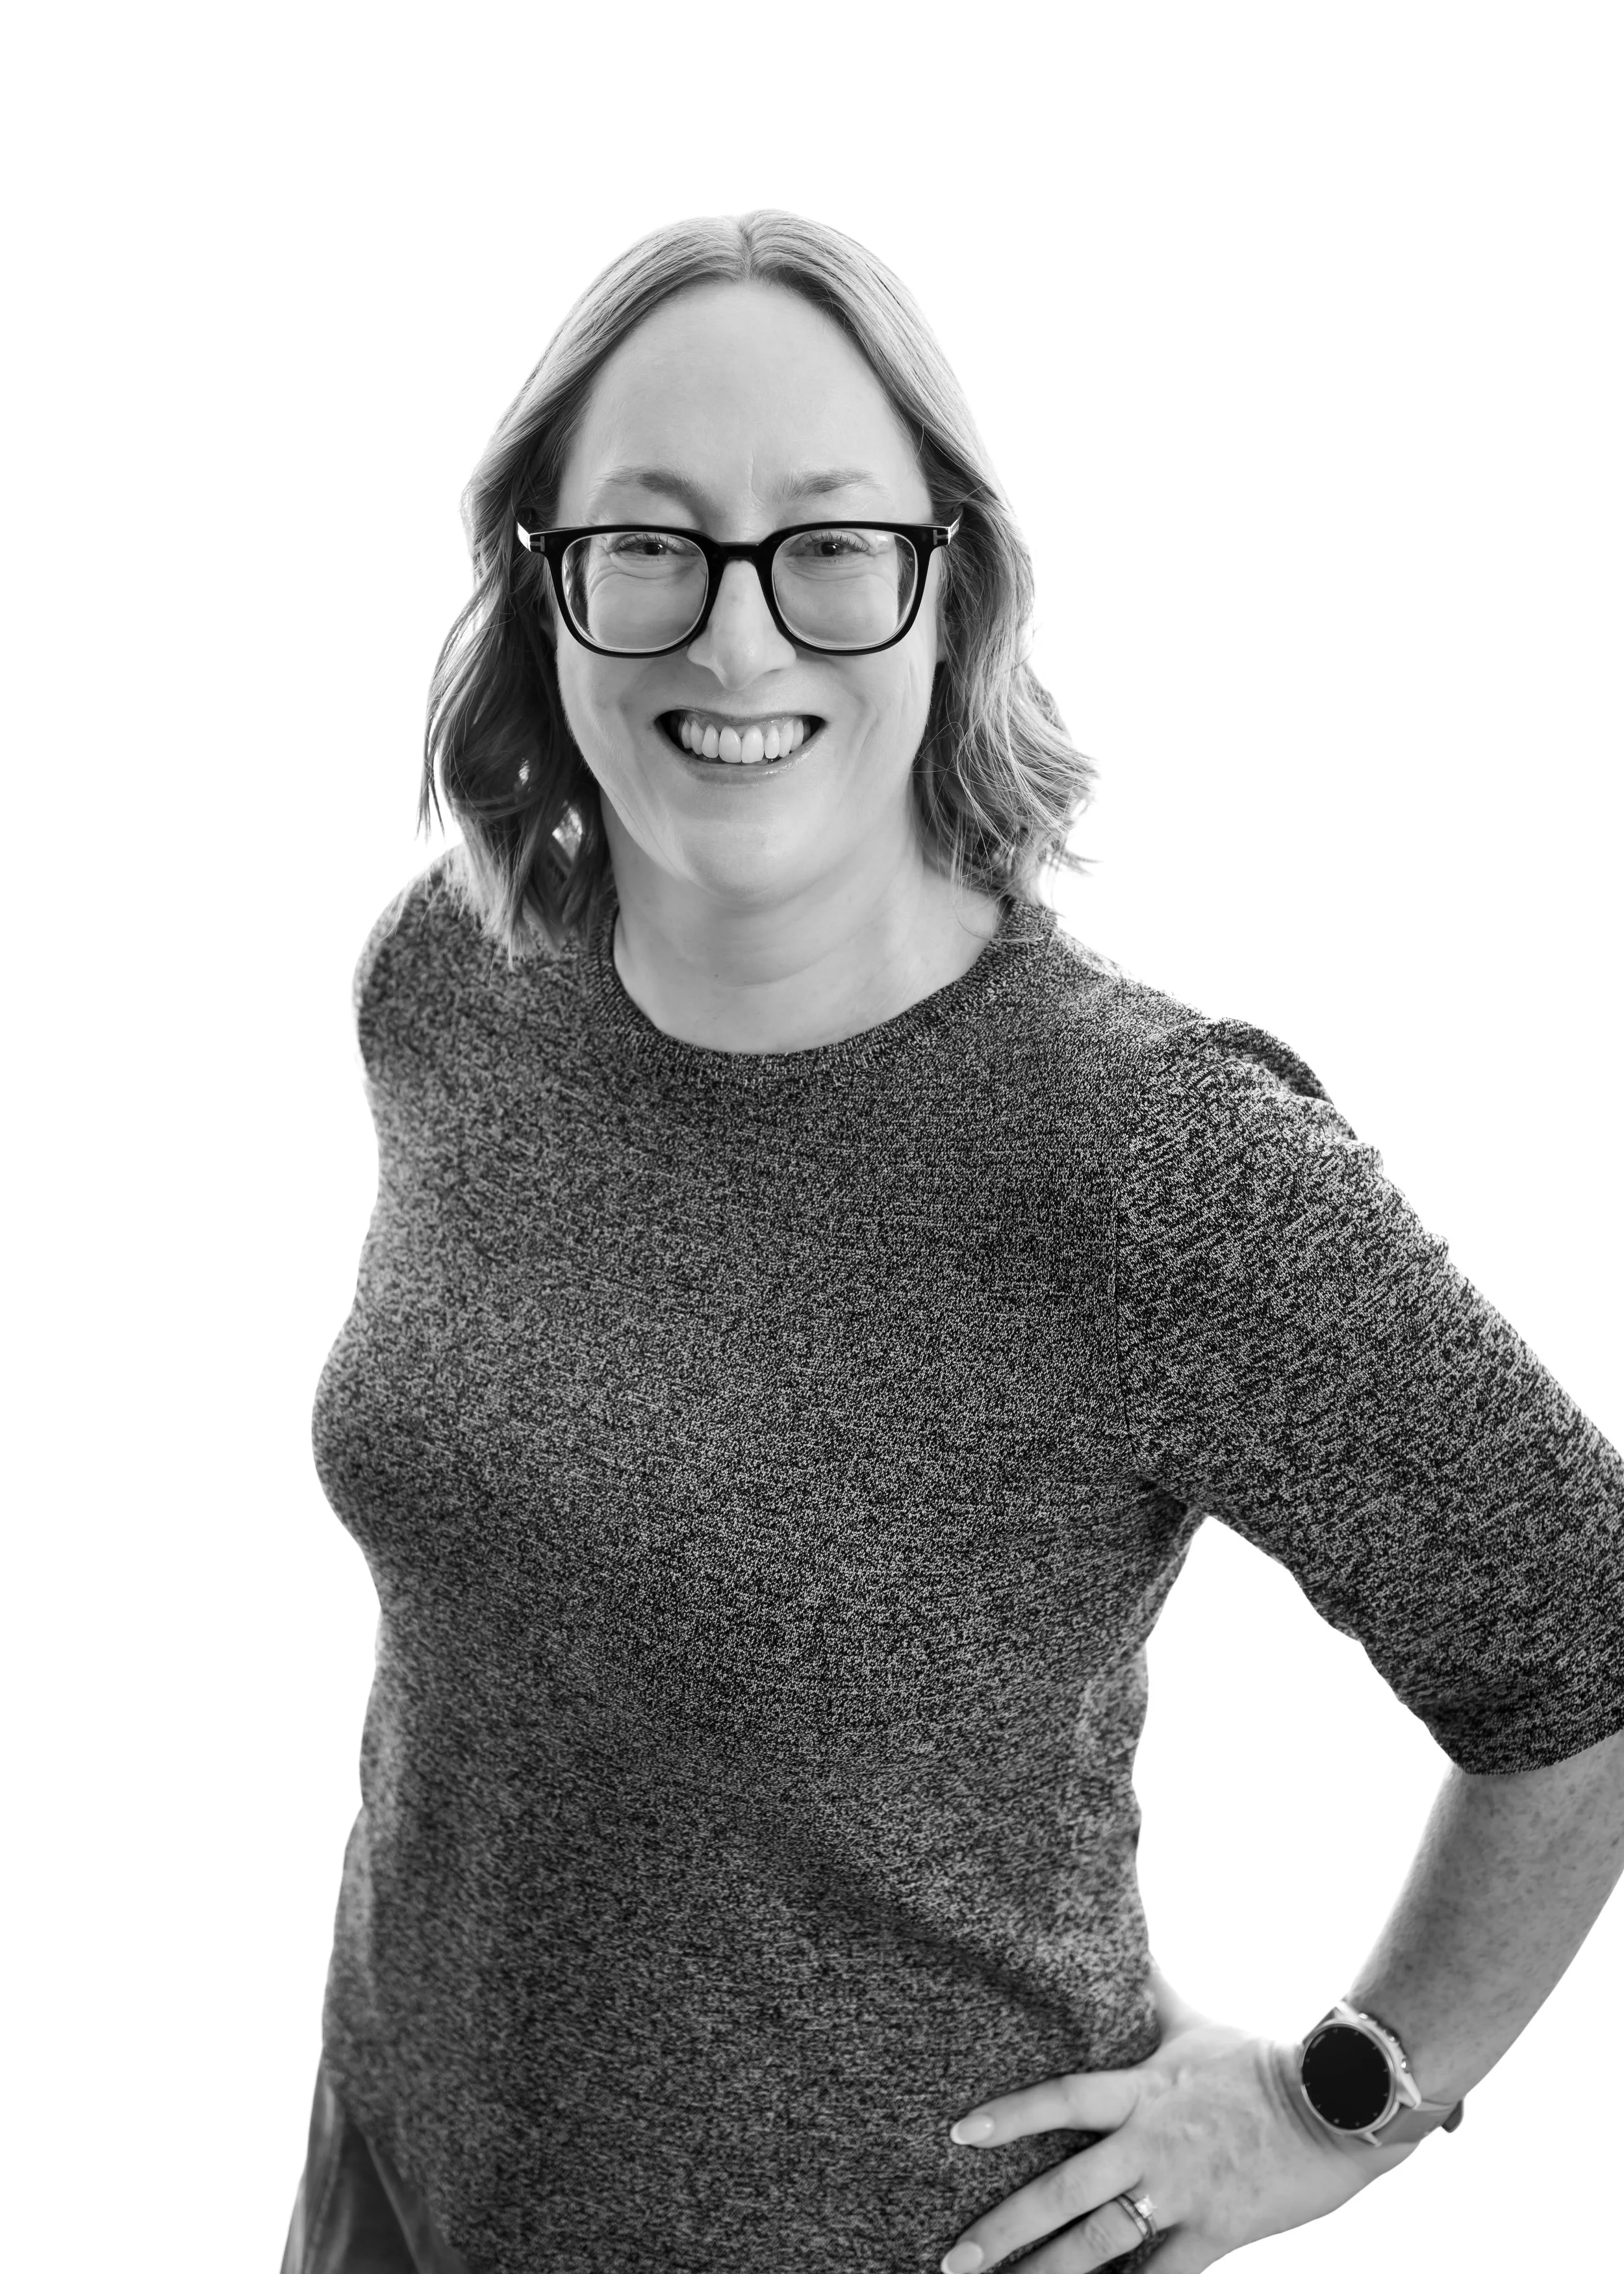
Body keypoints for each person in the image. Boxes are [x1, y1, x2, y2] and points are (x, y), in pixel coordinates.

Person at [279, 209, 1624, 2274]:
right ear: (542, 581)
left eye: (827, 543)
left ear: (949, 588)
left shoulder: (1146, 1155)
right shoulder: (458, 981)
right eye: (650, 541)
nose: (738, 643)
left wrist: (1349, 2093)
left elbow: (1585, 1635)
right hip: (402, 2170)